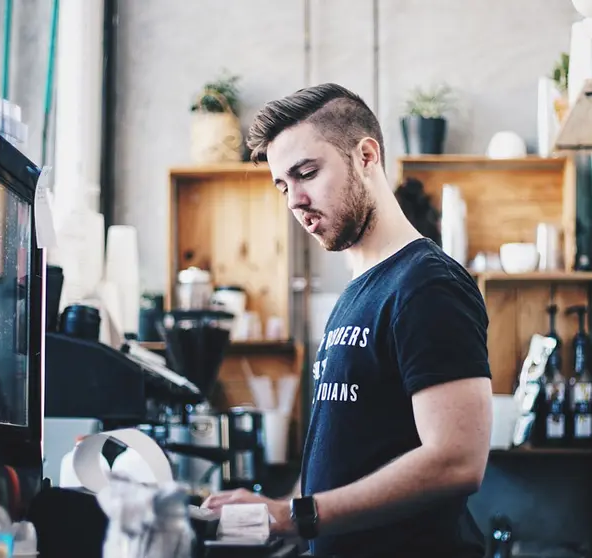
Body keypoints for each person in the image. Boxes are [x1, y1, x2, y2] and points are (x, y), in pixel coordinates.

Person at [201, 83, 493, 558]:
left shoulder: (426, 285)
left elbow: (457, 460)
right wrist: (286, 512)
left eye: (307, 173)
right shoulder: (356, 294)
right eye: (283, 185)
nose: (294, 200)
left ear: (366, 156)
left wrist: (297, 515)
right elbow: (341, 454)